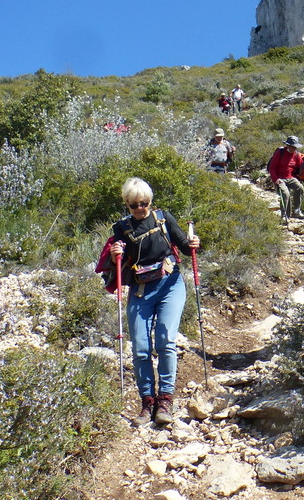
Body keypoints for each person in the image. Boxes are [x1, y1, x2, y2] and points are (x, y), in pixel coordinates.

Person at [108, 177, 200, 427]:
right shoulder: (121, 228)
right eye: (134, 204)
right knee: (140, 349)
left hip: (170, 284)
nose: (140, 208)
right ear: (127, 204)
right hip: (140, 290)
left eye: (144, 203)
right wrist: (116, 254)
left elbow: (185, 245)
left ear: (150, 201)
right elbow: (116, 260)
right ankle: (147, 402)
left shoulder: (163, 218)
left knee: (165, 340)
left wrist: (194, 244)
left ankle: (165, 400)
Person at [268, 135, 304, 220]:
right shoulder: (280, 153)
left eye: (295, 147)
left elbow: (299, 167)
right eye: (292, 147)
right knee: (285, 194)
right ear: (288, 145)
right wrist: (275, 179)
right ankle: (285, 215)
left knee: (300, 188)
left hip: (290, 177)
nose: (293, 149)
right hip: (280, 178)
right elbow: (272, 168)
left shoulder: (296, 155)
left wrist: (300, 178)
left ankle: (296, 210)